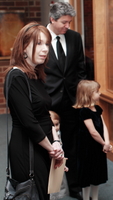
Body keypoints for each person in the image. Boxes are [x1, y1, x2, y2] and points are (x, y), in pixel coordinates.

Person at [4, 22, 65, 200]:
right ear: (23, 47)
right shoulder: (16, 77)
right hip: (27, 150)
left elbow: (45, 115)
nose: (45, 49)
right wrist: (52, 150)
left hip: (44, 146)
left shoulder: (36, 74)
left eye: (47, 43)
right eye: (39, 43)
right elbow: (29, 122)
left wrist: (57, 143)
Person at [45, 2, 87, 199]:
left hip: (71, 101)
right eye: (64, 22)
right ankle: (46, 187)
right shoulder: (38, 38)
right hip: (47, 102)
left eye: (70, 22)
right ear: (52, 19)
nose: (68, 26)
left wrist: (79, 93)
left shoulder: (75, 37)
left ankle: (74, 186)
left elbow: (80, 67)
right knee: (47, 145)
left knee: (72, 144)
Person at [73, 80, 112, 200]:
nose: (100, 94)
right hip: (87, 147)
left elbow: (104, 126)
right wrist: (103, 143)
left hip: (98, 147)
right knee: (87, 174)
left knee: (97, 174)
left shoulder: (97, 108)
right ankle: (86, 198)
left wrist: (107, 142)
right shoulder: (84, 111)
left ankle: (94, 198)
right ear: (88, 94)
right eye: (97, 92)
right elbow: (93, 132)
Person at [49, 111, 69, 200]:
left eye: (57, 124)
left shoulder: (59, 134)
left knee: (58, 185)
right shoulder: (49, 137)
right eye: (53, 125)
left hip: (59, 164)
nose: (56, 128)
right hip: (50, 165)